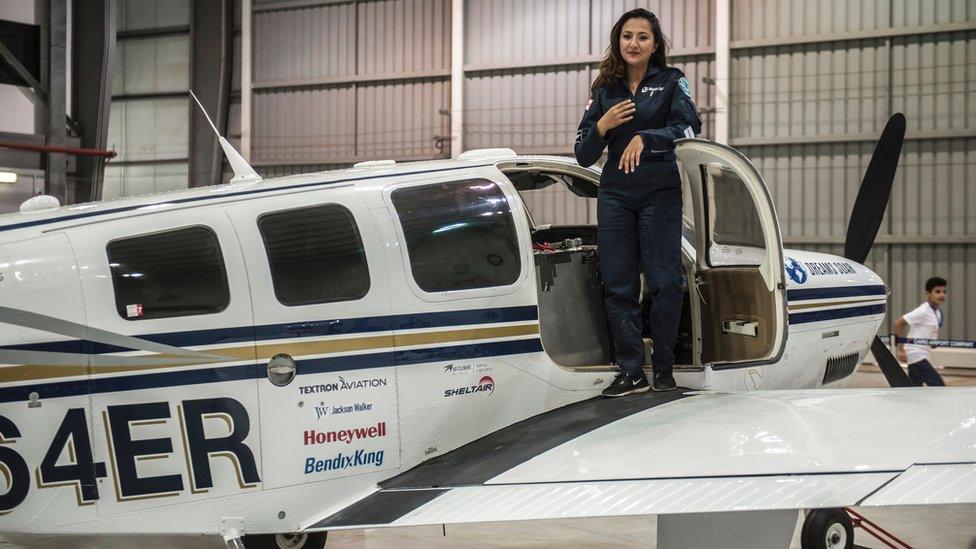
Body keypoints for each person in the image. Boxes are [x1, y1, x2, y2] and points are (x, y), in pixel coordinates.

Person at [574, 8, 701, 397]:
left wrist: (647, 137)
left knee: (665, 281)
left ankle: (663, 368)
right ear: (618, 42)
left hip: (659, 192)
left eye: (642, 37)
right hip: (615, 194)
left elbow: (690, 125)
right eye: (627, 36)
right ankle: (631, 371)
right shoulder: (605, 90)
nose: (634, 43)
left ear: (655, 44)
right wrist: (602, 125)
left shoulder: (671, 82)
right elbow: (582, 152)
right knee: (618, 285)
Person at [894, 277, 948, 387]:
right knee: (939, 387)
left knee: (914, 390)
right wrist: (900, 350)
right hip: (916, 354)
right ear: (928, 294)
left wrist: (933, 343)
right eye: (937, 292)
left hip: (924, 354)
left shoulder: (937, 312)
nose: (942, 295)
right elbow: (898, 323)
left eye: (944, 292)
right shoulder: (923, 311)